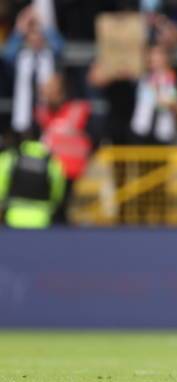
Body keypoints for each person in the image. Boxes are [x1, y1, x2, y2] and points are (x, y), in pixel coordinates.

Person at [36, 73, 92, 222]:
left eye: (50, 88)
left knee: (63, 211)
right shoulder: (42, 112)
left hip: (71, 169)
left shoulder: (78, 109)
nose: (45, 91)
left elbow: (93, 135)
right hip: (49, 170)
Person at [3, 5, 64, 136]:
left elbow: (59, 46)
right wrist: (19, 28)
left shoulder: (49, 54)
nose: (36, 37)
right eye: (32, 33)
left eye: (38, 33)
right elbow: (7, 55)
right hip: (23, 116)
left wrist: (45, 25)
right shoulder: (21, 56)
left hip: (46, 117)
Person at [0, 136, 65, 228]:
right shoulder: (52, 162)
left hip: (13, 216)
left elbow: (1, 187)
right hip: (43, 218)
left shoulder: (10, 158)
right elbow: (57, 191)